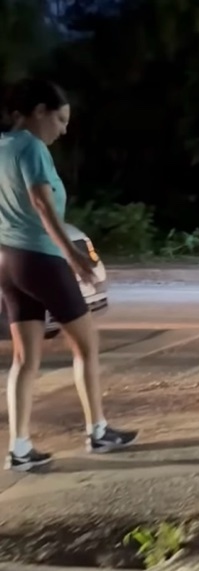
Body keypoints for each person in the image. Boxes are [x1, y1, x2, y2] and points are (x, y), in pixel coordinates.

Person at [0, 78, 137, 472]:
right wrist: (73, 256)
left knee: (25, 360)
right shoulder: (31, 147)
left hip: (10, 262)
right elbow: (42, 204)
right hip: (41, 259)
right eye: (59, 119)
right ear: (38, 112)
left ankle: (20, 448)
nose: (63, 129)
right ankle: (98, 430)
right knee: (87, 347)